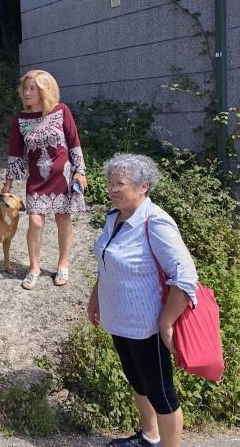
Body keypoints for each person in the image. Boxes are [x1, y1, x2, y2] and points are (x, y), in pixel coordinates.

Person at [86, 154, 198, 447]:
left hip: (146, 324)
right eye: (110, 183)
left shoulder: (156, 222)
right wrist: (96, 296)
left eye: (120, 184)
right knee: (138, 380)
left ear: (144, 187)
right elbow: (107, 261)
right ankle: (150, 436)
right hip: (120, 319)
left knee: (161, 391)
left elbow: (185, 276)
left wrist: (167, 320)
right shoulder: (115, 218)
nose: (112, 189)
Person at [0, 69, 86, 290]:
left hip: (62, 177)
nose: (27, 93)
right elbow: (15, 154)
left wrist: (80, 171)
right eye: (25, 88)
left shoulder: (61, 111)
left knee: (62, 219)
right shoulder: (20, 120)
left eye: (33, 89)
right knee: (35, 221)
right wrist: (7, 184)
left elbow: (74, 142)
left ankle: (63, 264)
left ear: (45, 91)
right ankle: (34, 267)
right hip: (37, 179)